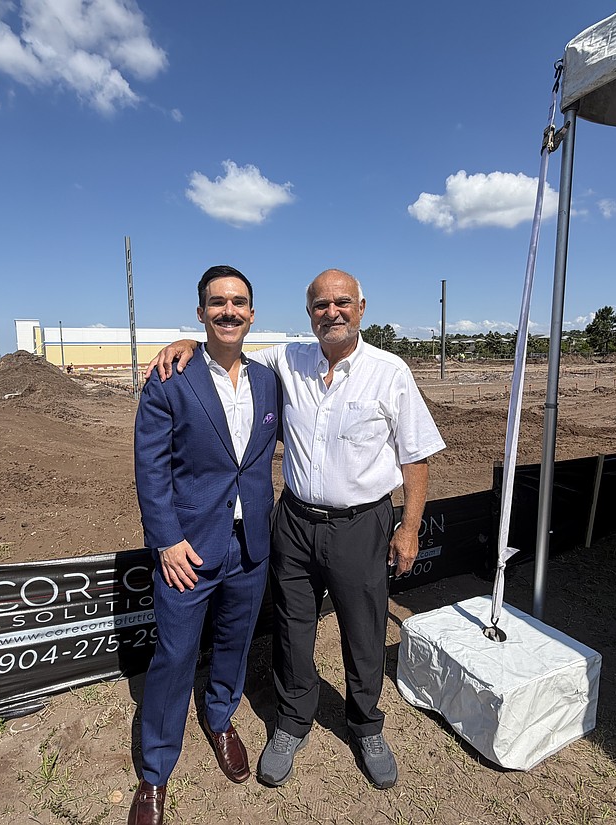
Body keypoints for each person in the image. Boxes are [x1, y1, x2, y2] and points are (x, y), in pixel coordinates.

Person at [148, 268, 445, 790]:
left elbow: (415, 455)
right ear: (309, 314)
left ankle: (366, 725)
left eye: (342, 302)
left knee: (364, 630)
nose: (332, 312)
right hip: (295, 522)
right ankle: (291, 721)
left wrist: (409, 526)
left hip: (361, 524)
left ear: (361, 308)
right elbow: (226, 349)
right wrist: (188, 344)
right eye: (320, 305)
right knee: (292, 628)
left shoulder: (389, 371)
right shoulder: (287, 361)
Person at [129, 265, 282, 825]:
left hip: (250, 543)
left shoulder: (269, 380)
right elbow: (151, 468)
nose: (228, 311)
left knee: (235, 641)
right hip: (188, 548)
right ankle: (154, 772)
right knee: (174, 656)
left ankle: (220, 718)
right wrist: (166, 541)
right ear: (200, 313)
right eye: (217, 303)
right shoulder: (171, 378)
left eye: (238, 302)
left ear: (252, 313)